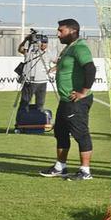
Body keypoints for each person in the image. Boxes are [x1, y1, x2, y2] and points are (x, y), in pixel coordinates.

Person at [39, 19, 98, 181]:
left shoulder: (80, 48)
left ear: (72, 31)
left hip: (76, 101)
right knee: (61, 132)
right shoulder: (68, 48)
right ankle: (60, 167)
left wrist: (83, 92)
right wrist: (57, 68)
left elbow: (90, 69)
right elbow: (70, 65)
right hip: (66, 101)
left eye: (61, 31)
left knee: (81, 134)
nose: (58, 34)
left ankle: (85, 171)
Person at [17, 29, 51, 111]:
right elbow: (20, 49)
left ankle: (39, 121)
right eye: (42, 42)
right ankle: (21, 121)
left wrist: (52, 69)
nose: (43, 44)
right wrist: (26, 40)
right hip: (30, 82)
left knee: (40, 105)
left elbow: (59, 61)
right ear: (38, 43)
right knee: (24, 104)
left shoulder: (48, 53)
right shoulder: (30, 52)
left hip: (42, 82)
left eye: (45, 42)